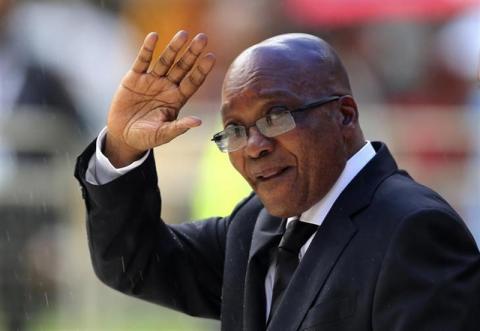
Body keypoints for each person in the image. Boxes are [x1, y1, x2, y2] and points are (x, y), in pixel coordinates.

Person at [74, 31, 480, 330]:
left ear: (345, 116)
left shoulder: (413, 230)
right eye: (234, 129)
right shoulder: (256, 224)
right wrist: (123, 147)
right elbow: (135, 264)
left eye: (276, 116)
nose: (253, 146)